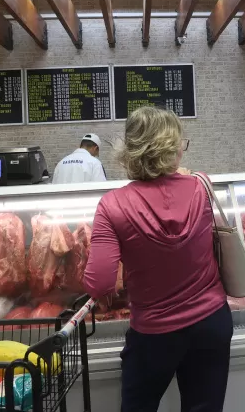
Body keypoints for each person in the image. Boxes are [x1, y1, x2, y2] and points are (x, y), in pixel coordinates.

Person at [83, 107, 230, 412]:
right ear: (173, 148)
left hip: (154, 334)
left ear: (129, 152)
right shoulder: (202, 186)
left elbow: (100, 283)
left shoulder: (112, 205)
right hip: (211, 323)